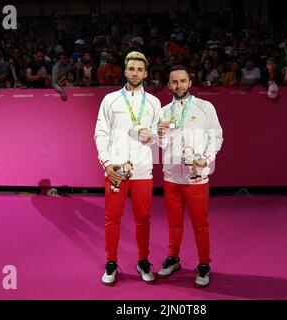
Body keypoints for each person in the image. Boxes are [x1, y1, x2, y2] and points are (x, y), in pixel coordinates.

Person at [94, 51, 161, 285]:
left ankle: (143, 261)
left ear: (145, 73)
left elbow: (159, 138)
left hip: (142, 171)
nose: (135, 73)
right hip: (116, 171)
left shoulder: (154, 102)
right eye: (131, 69)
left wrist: (153, 136)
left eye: (139, 70)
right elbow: (100, 133)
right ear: (125, 70)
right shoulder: (110, 100)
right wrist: (107, 163)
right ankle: (111, 262)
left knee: (143, 218)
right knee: (113, 218)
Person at [157, 65, 223, 287]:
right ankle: (174, 258)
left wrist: (206, 157)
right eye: (174, 82)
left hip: (196, 177)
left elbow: (217, 137)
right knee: (174, 223)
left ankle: (204, 264)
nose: (179, 85)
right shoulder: (163, 112)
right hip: (171, 177)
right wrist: (160, 134)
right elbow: (159, 144)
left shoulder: (205, 107)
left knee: (200, 224)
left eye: (182, 81)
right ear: (169, 85)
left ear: (190, 82)